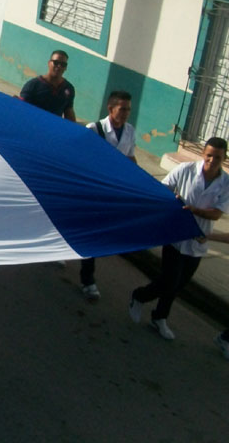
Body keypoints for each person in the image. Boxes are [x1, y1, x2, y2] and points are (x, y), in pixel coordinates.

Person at [130, 137, 229, 340]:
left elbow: (216, 214)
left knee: (179, 285)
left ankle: (157, 315)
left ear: (224, 158)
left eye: (217, 157)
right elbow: (163, 191)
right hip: (175, 236)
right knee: (170, 281)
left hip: (198, 241)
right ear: (203, 153)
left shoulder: (226, 183)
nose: (212, 160)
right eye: (209, 155)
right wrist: (171, 202)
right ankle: (143, 299)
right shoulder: (186, 169)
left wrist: (193, 210)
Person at [78, 91, 137, 299]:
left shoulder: (129, 131)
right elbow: (82, 159)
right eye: (122, 109)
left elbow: (130, 158)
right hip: (91, 191)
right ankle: (88, 280)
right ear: (110, 109)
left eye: (128, 109)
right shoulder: (94, 129)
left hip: (111, 192)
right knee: (89, 231)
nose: (126, 113)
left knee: (94, 232)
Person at [19, 50, 76, 121]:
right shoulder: (33, 85)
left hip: (53, 129)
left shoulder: (69, 88)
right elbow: (21, 109)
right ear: (49, 63)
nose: (59, 66)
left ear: (66, 67)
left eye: (63, 64)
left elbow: (69, 113)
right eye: (56, 63)